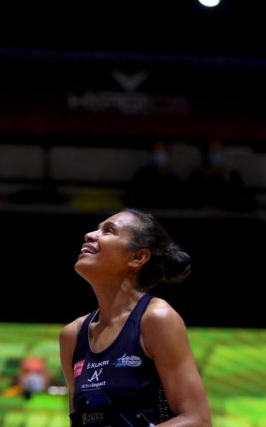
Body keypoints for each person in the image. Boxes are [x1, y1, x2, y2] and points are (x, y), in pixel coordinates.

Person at [59, 208, 212, 426]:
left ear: (138, 257)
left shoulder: (156, 319)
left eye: (108, 231)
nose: (90, 234)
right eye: (96, 228)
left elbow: (197, 419)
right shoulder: (71, 336)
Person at [124, 141, 187, 210]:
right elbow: (132, 199)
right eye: (157, 152)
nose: (160, 155)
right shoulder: (142, 176)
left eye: (163, 151)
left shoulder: (173, 180)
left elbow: (179, 204)